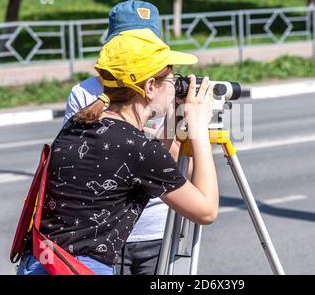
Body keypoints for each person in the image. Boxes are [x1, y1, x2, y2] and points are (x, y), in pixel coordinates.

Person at [17, 28, 219, 275]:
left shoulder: (79, 124)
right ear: (150, 87)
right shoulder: (137, 148)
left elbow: (146, 163)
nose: (175, 86)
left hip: (41, 263)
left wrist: (174, 118)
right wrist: (198, 128)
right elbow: (206, 211)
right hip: (81, 269)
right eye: (171, 79)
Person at [63, 0, 177, 275]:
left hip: (157, 227)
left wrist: (173, 131)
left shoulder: (165, 89)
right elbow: (80, 165)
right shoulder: (85, 94)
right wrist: (137, 140)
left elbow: (177, 169)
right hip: (104, 231)